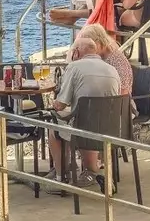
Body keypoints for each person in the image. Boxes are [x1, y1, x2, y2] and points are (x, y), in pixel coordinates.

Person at [49, 27, 126, 174]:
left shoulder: (74, 67)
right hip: (110, 128)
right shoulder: (112, 69)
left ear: (76, 52)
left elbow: (60, 105)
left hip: (84, 129)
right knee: (84, 118)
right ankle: (91, 171)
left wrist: (53, 105)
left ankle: (61, 176)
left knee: (53, 129)